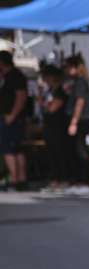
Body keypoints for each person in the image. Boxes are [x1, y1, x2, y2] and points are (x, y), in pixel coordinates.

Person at [62, 55, 89, 197]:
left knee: (80, 150)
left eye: (67, 67)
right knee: (79, 149)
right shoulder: (79, 81)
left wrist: (74, 121)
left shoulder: (81, 81)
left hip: (81, 119)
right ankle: (81, 181)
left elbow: (80, 102)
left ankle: (85, 181)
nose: (65, 70)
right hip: (83, 118)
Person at [37, 65, 71, 193]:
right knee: (52, 153)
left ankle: (62, 179)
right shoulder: (50, 91)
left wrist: (44, 103)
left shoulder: (60, 91)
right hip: (50, 126)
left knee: (59, 153)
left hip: (58, 126)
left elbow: (52, 108)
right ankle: (55, 179)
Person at [0, 50, 28, 190]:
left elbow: (20, 97)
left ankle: (15, 179)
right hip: (12, 117)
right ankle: (20, 179)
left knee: (8, 148)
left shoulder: (14, 76)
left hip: (11, 117)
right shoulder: (8, 76)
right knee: (16, 149)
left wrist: (12, 114)